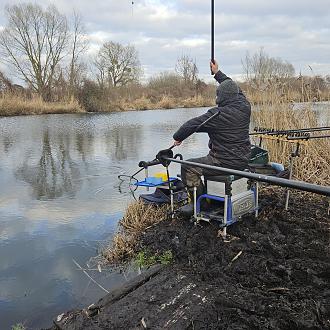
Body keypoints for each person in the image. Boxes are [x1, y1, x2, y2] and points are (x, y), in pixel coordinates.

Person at [173, 59, 251, 206]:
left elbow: (191, 125)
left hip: (224, 162)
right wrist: (217, 73)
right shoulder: (245, 105)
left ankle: (199, 204)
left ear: (220, 96)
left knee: (187, 166)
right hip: (244, 159)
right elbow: (234, 87)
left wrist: (178, 137)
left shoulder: (216, 115)